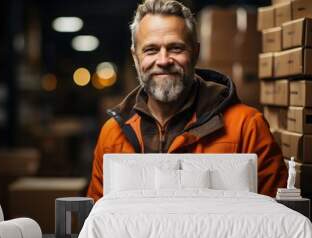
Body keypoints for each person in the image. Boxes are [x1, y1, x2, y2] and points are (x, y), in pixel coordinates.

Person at [87, 0, 288, 202]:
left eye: (176, 48)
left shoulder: (247, 127)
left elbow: (276, 222)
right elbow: (98, 219)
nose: (164, 60)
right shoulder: (112, 135)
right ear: (135, 57)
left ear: (196, 52)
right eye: (151, 50)